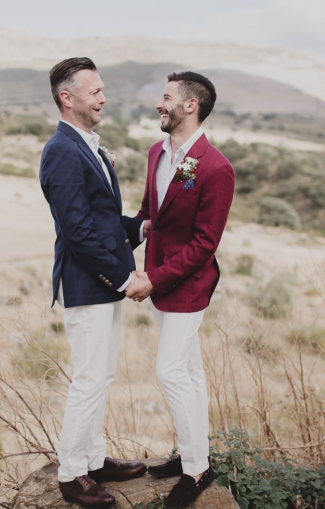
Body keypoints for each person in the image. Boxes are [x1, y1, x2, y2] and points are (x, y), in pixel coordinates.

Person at [39, 57, 147, 508]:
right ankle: (70, 476)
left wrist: (140, 228)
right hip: (88, 284)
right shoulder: (61, 150)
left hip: (102, 283)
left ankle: (95, 459)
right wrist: (125, 277)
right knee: (87, 379)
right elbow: (78, 230)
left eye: (103, 90)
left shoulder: (88, 145)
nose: (103, 98)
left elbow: (101, 220)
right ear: (68, 98)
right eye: (95, 91)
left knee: (101, 375)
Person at [126, 71, 235, 509]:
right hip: (158, 281)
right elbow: (148, 213)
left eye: (167, 97)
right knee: (190, 374)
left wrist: (153, 279)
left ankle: (196, 471)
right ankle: (195, 456)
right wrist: (117, 254)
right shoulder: (157, 152)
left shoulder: (216, 168)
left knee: (171, 370)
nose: (159, 104)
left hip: (188, 286)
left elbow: (205, 245)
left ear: (191, 106)